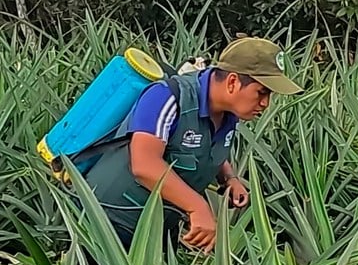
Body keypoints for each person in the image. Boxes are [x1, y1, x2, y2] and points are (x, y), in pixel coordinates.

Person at [81, 36, 302, 251]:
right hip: (106, 224)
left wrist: (229, 178)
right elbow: (144, 164)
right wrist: (198, 207)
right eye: (261, 93)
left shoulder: (229, 114)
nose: (265, 104)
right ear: (233, 82)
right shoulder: (166, 97)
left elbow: (208, 146)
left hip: (158, 231)